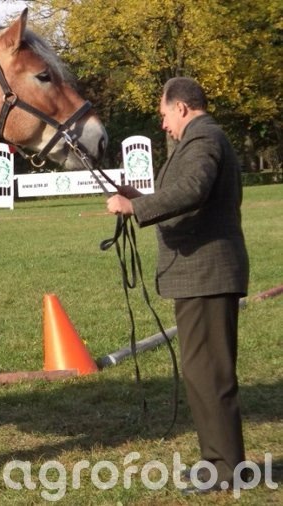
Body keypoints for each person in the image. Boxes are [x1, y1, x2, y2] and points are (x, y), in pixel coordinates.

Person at [106, 77, 249, 495]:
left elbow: (192, 190)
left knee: (209, 374)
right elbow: (184, 195)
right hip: (201, 275)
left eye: (165, 114)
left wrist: (135, 207)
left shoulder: (203, 139)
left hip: (207, 275)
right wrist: (138, 197)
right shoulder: (201, 139)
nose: (164, 124)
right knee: (202, 372)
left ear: (182, 107)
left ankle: (225, 469)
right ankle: (216, 461)